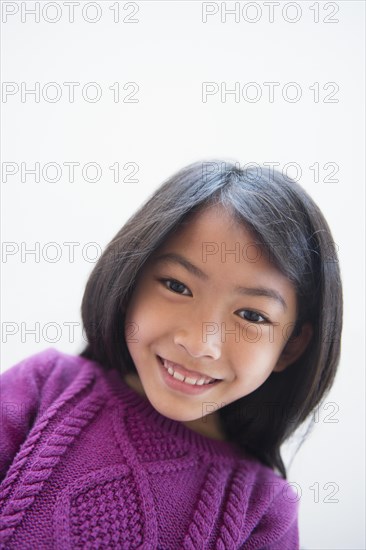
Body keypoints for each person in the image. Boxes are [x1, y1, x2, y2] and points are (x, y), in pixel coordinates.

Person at [0, 160, 343, 549]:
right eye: (177, 286)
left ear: (292, 345)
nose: (199, 343)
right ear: (130, 280)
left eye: (251, 315)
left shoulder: (263, 511)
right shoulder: (44, 386)